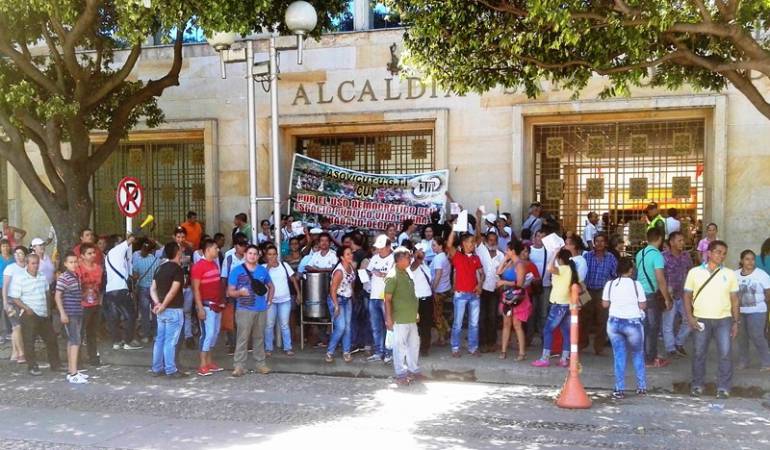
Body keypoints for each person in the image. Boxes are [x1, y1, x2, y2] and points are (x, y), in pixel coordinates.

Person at [683, 240, 739, 399]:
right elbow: (687, 296)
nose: (721, 256)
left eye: (724, 253)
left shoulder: (729, 274)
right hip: (701, 319)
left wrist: (736, 322)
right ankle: (697, 385)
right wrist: (690, 317)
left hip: (724, 320)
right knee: (699, 353)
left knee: (725, 354)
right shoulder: (694, 272)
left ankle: (723, 387)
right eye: (718, 252)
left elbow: (735, 299)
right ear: (709, 253)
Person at [602, 257, 648, 399]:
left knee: (619, 355)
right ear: (631, 270)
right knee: (637, 354)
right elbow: (643, 305)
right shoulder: (636, 285)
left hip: (614, 323)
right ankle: (641, 387)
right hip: (633, 323)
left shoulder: (609, 284)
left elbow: (604, 304)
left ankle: (619, 388)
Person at [9, 253, 62, 376]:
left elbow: (47, 293)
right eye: (33, 263)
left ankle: (56, 365)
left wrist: (48, 310)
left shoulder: (42, 276)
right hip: (29, 313)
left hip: (43, 313)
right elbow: (15, 297)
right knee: (29, 341)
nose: (36, 266)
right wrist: (26, 308)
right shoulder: (20, 277)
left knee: (51, 339)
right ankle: (32, 366)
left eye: (37, 263)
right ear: (27, 264)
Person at [227, 244, 274, 376]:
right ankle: (239, 366)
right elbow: (230, 292)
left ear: (258, 256)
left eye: (255, 254)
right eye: (250, 253)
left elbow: (271, 286)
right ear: (245, 255)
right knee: (242, 338)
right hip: (244, 309)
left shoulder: (262, 271)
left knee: (259, 337)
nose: (252, 256)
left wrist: (269, 301)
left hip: (261, 309)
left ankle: (261, 364)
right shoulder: (236, 271)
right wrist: (239, 293)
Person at [531, 249, 579, 368]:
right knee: (565, 332)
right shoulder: (571, 269)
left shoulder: (562, 269)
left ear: (560, 259)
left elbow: (549, 268)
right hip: (568, 304)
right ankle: (564, 359)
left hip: (558, 304)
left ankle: (545, 358)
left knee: (547, 330)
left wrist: (553, 254)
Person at [385, 247, 425, 385]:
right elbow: (387, 299)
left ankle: (413, 370)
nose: (410, 259)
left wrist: (416, 312)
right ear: (399, 259)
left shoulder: (406, 272)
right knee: (399, 347)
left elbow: (411, 294)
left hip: (410, 317)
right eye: (407, 257)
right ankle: (401, 373)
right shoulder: (392, 276)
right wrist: (389, 318)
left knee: (414, 345)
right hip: (400, 318)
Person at [635, 227, 673, 368]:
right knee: (652, 328)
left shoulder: (640, 253)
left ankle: (646, 355)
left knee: (644, 327)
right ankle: (650, 359)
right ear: (660, 239)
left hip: (640, 294)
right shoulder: (657, 255)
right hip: (651, 294)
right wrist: (667, 298)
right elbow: (660, 278)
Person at [150, 242, 187, 378]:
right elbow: (173, 291)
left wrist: (157, 303)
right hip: (174, 310)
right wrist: (163, 305)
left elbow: (152, 288)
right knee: (170, 341)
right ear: (177, 252)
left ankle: (156, 367)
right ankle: (170, 369)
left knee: (160, 339)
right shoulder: (177, 269)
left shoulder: (160, 268)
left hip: (161, 311)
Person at [446, 229, 483, 357]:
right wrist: (453, 229)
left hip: (474, 295)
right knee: (458, 323)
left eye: (473, 242)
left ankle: (473, 347)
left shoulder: (476, 258)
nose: (473, 244)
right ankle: (455, 348)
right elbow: (449, 245)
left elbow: (482, 274)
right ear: (464, 243)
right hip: (461, 294)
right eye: (471, 242)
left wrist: (480, 285)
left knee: (474, 324)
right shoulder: (457, 256)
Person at [191, 239, 225, 377]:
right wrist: (199, 308)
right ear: (208, 249)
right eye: (215, 248)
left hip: (216, 305)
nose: (218, 250)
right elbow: (196, 289)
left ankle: (209, 362)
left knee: (214, 333)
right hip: (206, 305)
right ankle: (202, 364)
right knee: (207, 334)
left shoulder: (215, 265)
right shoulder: (198, 266)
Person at [104, 233, 142, 350]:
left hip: (110, 290)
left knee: (114, 317)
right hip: (120, 288)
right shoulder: (117, 250)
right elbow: (131, 239)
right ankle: (128, 341)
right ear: (116, 243)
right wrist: (136, 231)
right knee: (131, 315)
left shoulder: (109, 256)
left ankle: (117, 341)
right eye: (120, 241)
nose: (123, 243)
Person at [496, 240, 533, 360]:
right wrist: (504, 259)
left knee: (517, 324)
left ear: (512, 250)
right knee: (506, 324)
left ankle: (522, 352)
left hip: (517, 297)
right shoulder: (511, 262)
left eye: (508, 249)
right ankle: (503, 350)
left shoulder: (520, 264)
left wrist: (504, 282)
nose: (506, 251)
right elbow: (499, 272)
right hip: (507, 296)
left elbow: (520, 283)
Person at [54, 253, 88, 384]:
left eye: (75, 261)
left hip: (77, 312)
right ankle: (73, 373)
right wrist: (62, 313)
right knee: (75, 341)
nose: (74, 264)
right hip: (70, 313)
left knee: (72, 341)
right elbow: (57, 296)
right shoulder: (64, 277)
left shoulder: (75, 276)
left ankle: (71, 370)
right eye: (71, 262)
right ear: (65, 264)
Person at [582, 232, 618, 355]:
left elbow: (615, 275)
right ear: (594, 242)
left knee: (602, 320)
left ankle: (599, 347)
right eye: (597, 241)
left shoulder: (611, 257)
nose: (599, 243)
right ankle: (582, 343)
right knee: (584, 318)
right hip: (587, 290)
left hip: (603, 292)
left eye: (602, 241)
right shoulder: (587, 256)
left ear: (606, 243)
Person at [734, 250, 770, 371]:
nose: (750, 262)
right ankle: (744, 361)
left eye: (752, 259)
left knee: (757, 335)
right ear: (741, 260)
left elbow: (768, 293)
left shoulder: (762, 275)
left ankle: (767, 362)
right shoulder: (735, 275)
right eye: (747, 259)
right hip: (740, 312)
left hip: (757, 311)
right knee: (742, 337)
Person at [474, 212, 504, 353]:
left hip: (494, 289)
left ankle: (492, 342)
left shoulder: (501, 255)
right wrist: (479, 220)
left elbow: (501, 273)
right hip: (481, 288)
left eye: (494, 240)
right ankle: (482, 343)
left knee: (492, 317)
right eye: (490, 240)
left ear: (496, 242)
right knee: (481, 316)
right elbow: (477, 235)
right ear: (487, 240)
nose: (492, 242)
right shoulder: (481, 250)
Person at [263, 244, 299, 357]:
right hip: (270, 300)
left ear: (277, 255)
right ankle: (268, 348)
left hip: (285, 299)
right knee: (269, 325)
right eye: (270, 254)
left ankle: (288, 347)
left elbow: (293, 280)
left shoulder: (284, 265)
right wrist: (268, 267)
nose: (272, 257)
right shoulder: (263, 267)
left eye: (274, 254)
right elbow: (260, 281)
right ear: (266, 256)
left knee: (284, 324)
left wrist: (298, 293)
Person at [662, 231, 694, 358]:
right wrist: (665, 294)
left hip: (684, 294)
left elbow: (690, 273)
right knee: (668, 323)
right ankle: (670, 349)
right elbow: (659, 276)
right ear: (671, 242)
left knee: (689, 321)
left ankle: (679, 343)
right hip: (669, 294)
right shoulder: (663, 257)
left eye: (682, 240)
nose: (682, 243)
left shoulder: (686, 256)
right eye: (679, 240)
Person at [366, 235, 395, 363]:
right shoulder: (374, 258)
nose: (379, 250)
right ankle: (379, 352)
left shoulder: (394, 258)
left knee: (389, 326)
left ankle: (390, 352)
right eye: (378, 248)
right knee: (375, 326)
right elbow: (368, 271)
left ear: (388, 247)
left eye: (382, 248)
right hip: (374, 296)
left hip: (387, 297)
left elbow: (394, 276)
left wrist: (382, 274)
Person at [326, 246, 356, 363]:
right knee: (341, 327)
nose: (351, 255)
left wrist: (352, 295)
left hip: (347, 299)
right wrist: (336, 306)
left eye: (350, 253)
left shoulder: (351, 267)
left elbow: (351, 282)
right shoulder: (339, 271)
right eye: (348, 254)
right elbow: (332, 290)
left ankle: (346, 351)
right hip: (337, 299)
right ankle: (330, 351)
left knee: (347, 327)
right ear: (342, 257)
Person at [77, 243, 104, 367]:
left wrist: (100, 302)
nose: (93, 255)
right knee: (80, 333)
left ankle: (93, 357)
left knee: (92, 332)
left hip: (95, 303)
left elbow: (101, 286)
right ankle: (77, 360)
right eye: (89, 253)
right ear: (82, 256)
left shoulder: (98, 268)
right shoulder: (78, 269)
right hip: (82, 304)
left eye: (94, 253)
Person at [221, 234, 247, 354]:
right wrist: (223, 295)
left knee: (244, 319)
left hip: (246, 294)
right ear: (236, 246)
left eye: (245, 244)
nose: (244, 247)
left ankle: (244, 344)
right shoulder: (229, 258)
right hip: (232, 293)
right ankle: (232, 344)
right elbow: (224, 277)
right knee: (230, 319)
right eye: (241, 245)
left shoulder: (249, 257)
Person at [3, 246, 27, 364]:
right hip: (11, 300)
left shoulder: (28, 268)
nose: (17, 255)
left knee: (16, 327)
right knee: (17, 326)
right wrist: (5, 302)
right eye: (16, 253)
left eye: (21, 253)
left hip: (24, 301)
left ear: (25, 255)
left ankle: (14, 352)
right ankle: (21, 353)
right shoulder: (10, 268)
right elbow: (5, 287)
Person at [132, 239, 160, 344]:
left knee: (144, 314)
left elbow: (135, 276)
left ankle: (145, 335)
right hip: (155, 289)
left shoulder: (138, 261)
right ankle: (156, 334)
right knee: (156, 312)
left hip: (142, 288)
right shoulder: (156, 260)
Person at [410, 243, 434, 356]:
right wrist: (418, 258)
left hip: (427, 298)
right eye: (419, 251)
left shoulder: (425, 264)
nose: (422, 254)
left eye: (423, 252)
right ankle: (414, 347)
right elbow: (413, 266)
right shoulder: (412, 264)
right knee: (415, 326)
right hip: (417, 300)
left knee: (426, 325)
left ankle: (425, 348)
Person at [527, 229, 550, 343]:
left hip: (545, 285)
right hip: (530, 286)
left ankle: (544, 337)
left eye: (543, 236)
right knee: (531, 312)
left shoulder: (549, 251)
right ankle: (529, 337)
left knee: (544, 313)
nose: (540, 239)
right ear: (534, 237)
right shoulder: (528, 251)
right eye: (538, 236)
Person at [429, 237, 451, 346]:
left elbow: (438, 275)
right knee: (439, 313)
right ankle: (447, 329)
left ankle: (442, 338)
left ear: (440, 246)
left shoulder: (438, 258)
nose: (432, 247)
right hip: (445, 288)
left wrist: (433, 288)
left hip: (439, 290)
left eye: (434, 245)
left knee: (436, 315)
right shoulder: (444, 257)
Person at [0, 239, 13, 344]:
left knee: (9, 309)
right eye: (3, 246)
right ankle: (1, 333)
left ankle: (9, 331)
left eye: (7, 246)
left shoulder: (13, 259)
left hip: (11, 287)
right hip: (0, 286)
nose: (5, 248)